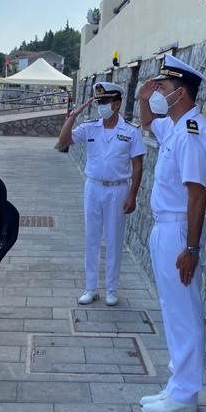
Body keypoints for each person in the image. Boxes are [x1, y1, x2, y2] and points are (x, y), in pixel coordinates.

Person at [136, 54, 206, 412]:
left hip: (179, 230)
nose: (158, 92)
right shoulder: (177, 126)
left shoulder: (192, 134)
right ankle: (178, 382)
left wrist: (192, 247)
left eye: (163, 88)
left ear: (180, 93)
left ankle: (185, 394)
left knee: (184, 311)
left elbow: (197, 194)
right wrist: (143, 97)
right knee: (172, 308)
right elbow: (149, 122)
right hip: (165, 227)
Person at [56, 81, 144, 307]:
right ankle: (91, 287)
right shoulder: (90, 127)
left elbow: (137, 165)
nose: (101, 106)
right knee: (92, 238)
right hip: (93, 187)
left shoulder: (131, 131)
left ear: (117, 103)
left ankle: (112, 289)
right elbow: (63, 141)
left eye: (105, 102)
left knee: (114, 239)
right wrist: (73, 115)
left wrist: (132, 195)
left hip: (118, 188)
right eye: (99, 102)